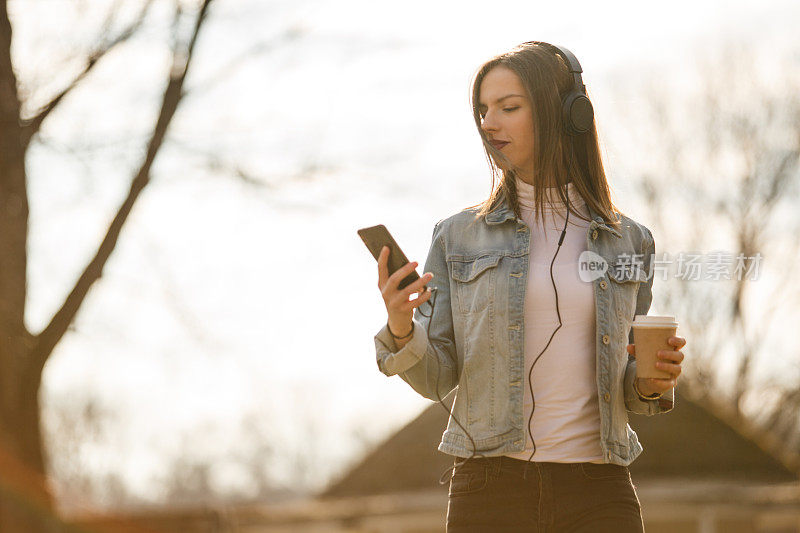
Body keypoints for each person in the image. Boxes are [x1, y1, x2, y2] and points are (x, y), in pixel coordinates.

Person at [373, 41, 687, 532]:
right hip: (490, 490)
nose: (488, 123)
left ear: (567, 115)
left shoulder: (631, 241)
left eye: (508, 107)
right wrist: (399, 326)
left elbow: (629, 384)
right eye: (482, 110)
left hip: (601, 488)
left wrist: (651, 380)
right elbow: (436, 380)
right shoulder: (457, 236)